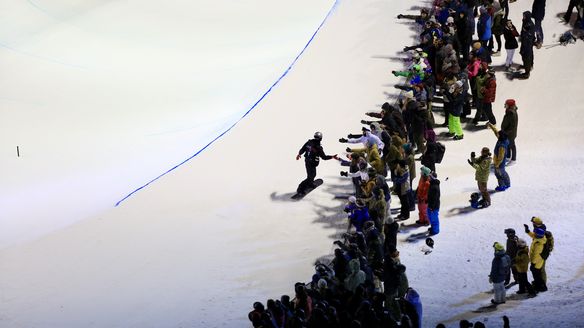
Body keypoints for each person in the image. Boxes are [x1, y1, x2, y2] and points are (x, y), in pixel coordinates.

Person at [488, 123, 511, 191]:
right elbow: (496, 132)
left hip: (500, 162)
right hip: (497, 161)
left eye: (499, 135)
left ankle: (504, 185)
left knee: (500, 174)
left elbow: (501, 157)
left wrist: (497, 164)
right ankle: (505, 184)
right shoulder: (502, 139)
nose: (497, 135)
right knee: (499, 173)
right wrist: (491, 126)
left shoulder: (502, 146)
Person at [527, 227, 548, 292]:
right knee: (537, 275)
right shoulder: (540, 239)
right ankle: (540, 286)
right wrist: (528, 231)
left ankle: (540, 287)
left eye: (535, 233)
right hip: (538, 262)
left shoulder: (539, 244)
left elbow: (536, 255)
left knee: (537, 276)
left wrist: (533, 263)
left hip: (536, 263)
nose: (534, 234)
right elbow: (534, 235)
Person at [500, 99, 518, 164]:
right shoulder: (510, 112)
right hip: (509, 133)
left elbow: (512, 126)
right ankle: (508, 156)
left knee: (512, 145)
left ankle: (513, 159)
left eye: (506, 104)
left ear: (510, 105)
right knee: (508, 145)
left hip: (510, 134)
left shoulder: (511, 113)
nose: (505, 105)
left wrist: (505, 132)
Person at [519, 11, 536, 79]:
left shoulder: (529, 25)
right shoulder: (525, 22)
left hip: (527, 43)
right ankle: (528, 66)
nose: (523, 17)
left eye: (524, 16)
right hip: (525, 42)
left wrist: (525, 33)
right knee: (526, 55)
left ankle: (527, 72)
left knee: (526, 56)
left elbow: (529, 35)